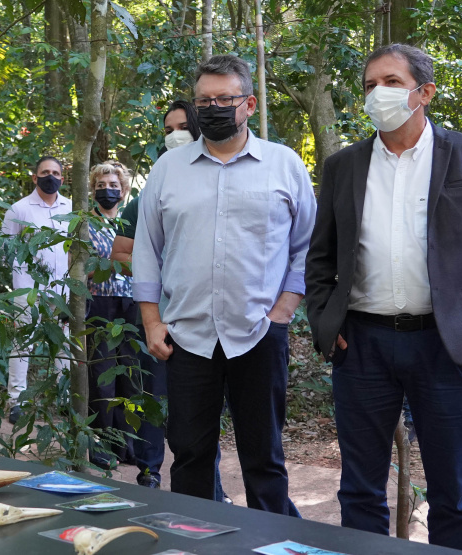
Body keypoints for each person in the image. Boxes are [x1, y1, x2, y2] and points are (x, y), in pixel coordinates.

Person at [305, 44, 462, 552]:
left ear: (425, 92)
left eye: (391, 82)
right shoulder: (343, 166)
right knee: (358, 491)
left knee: (454, 495)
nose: (379, 94)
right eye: (371, 85)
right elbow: (320, 258)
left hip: (445, 345)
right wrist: (326, 326)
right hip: (362, 345)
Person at [132, 54, 314, 515]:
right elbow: (146, 249)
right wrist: (151, 321)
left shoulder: (284, 165)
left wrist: (284, 310)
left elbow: (308, 246)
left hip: (258, 331)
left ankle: (273, 543)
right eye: (202, 101)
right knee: (190, 455)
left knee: (264, 459)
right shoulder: (168, 170)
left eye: (223, 99)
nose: (211, 108)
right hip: (186, 337)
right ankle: (193, 543)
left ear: (249, 103)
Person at [111, 101, 230, 500]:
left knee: (206, 414)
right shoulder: (151, 190)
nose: (174, 134)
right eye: (167, 129)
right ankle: (150, 473)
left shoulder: (224, 180)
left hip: (219, 321)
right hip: (161, 317)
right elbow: (123, 251)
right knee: (156, 399)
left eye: (182, 126)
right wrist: (160, 276)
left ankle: (213, 492)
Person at [1, 156, 72, 424]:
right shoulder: (19, 209)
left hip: (63, 289)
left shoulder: (71, 208)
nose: (50, 176)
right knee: (22, 343)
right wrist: (24, 281)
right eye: (44, 172)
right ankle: (16, 401)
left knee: (63, 343)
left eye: (55, 172)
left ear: (62, 179)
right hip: (28, 288)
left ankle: (63, 399)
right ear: (34, 177)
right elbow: (7, 249)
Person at [85, 161, 137, 469]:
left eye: (114, 186)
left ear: (124, 190)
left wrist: (112, 263)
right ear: (92, 189)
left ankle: (125, 444)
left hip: (132, 301)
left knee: (129, 375)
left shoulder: (130, 222)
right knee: (101, 377)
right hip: (99, 303)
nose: (108, 191)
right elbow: (84, 268)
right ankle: (100, 444)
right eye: (101, 186)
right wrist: (118, 263)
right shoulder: (85, 223)